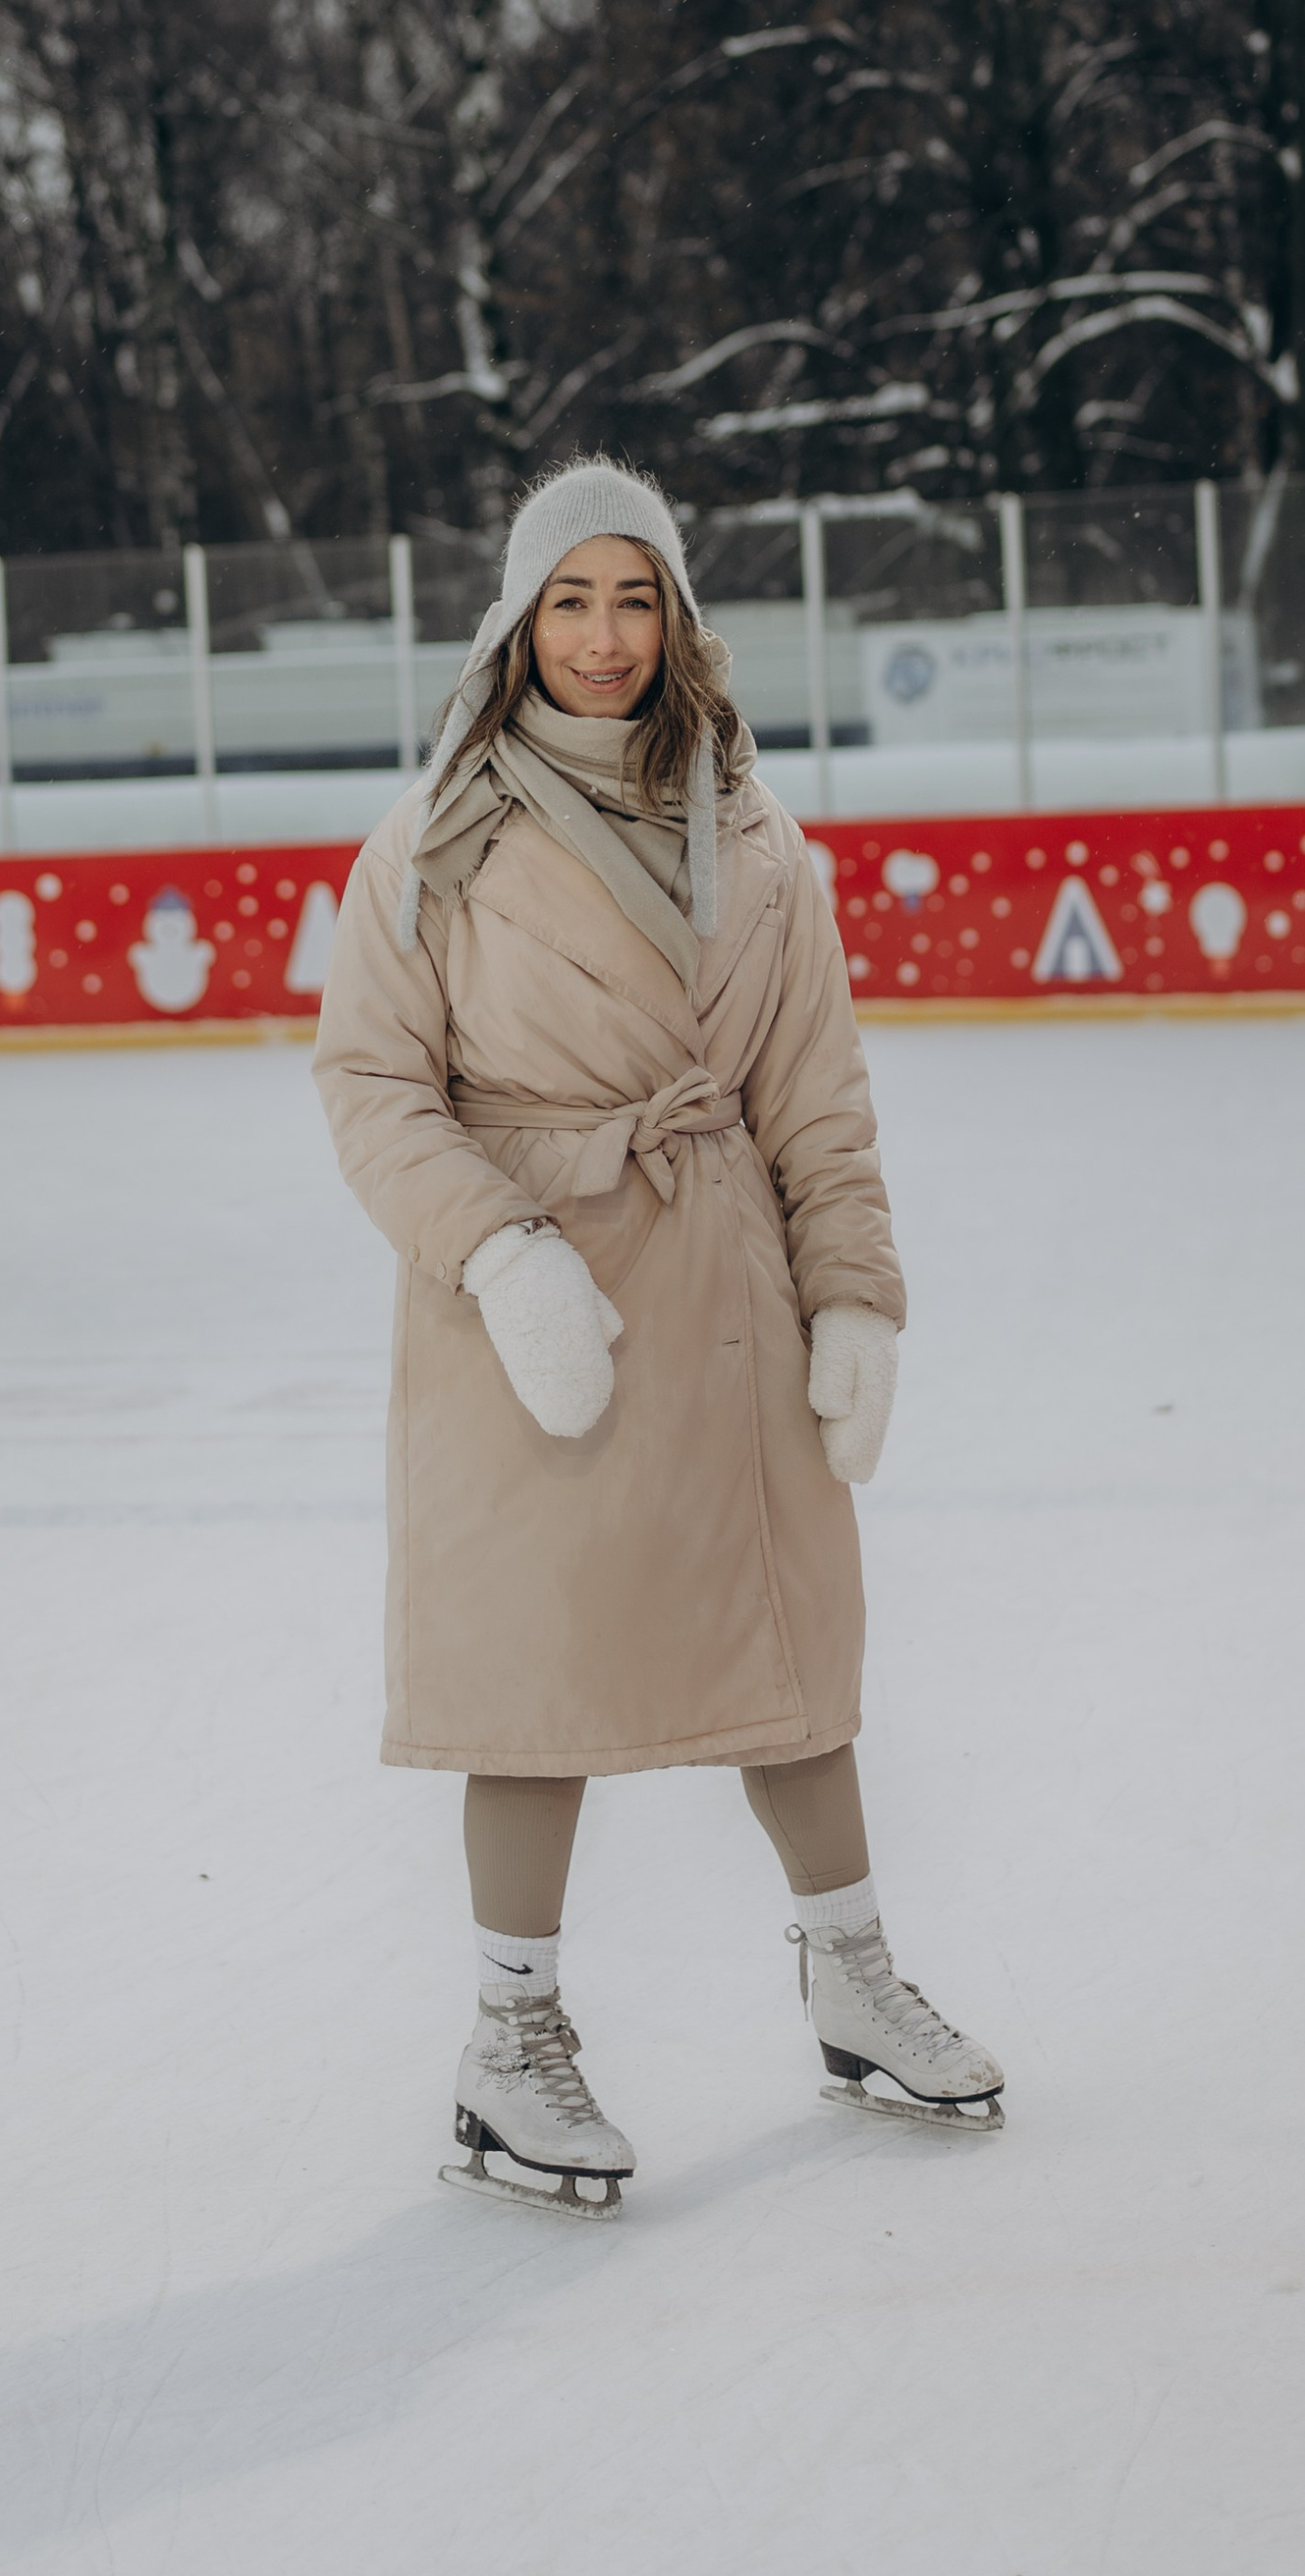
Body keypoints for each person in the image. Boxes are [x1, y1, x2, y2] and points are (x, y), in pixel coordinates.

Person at [312, 456, 1003, 2214]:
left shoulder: (761, 839)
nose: (606, 637)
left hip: (724, 1291)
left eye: (636, 599)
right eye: (572, 599)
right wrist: (506, 1257)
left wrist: (854, 1292)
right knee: (534, 1682)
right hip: (537, 1315)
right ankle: (510, 2041)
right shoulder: (433, 843)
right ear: (518, 619)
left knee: (789, 1659)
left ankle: (851, 1978)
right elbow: (376, 1089)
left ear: (676, 617)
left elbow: (817, 1097)